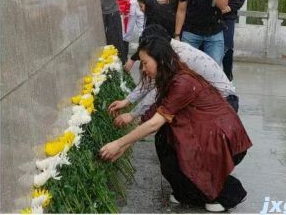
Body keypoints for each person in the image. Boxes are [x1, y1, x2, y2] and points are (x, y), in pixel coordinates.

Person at [99, 36, 251, 212]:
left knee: (174, 156)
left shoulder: (182, 82)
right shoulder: (171, 76)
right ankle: (188, 192)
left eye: (145, 63)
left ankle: (227, 193)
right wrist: (124, 146)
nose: (143, 69)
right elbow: (153, 113)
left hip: (224, 139)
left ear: (160, 59)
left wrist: (118, 143)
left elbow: (154, 123)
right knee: (165, 142)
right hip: (209, 134)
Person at [110, 24, 239, 128]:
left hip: (224, 105)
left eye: (145, 62)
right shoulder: (168, 52)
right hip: (211, 102)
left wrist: (133, 115)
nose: (144, 69)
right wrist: (127, 101)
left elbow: (158, 91)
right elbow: (152, 81)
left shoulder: (179, 57)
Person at [210, 0, 247, 80]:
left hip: (228, 17)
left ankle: (227, 74)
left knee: (228, 45)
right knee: (210, 44)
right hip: (211, 16)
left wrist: (230, 7)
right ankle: (211, 75)